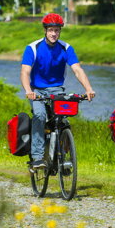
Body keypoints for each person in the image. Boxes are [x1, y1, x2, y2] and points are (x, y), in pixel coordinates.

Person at [20, 13, 95, 169]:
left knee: (63, 120)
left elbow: (77, 70)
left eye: (57, 30)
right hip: (37, 90)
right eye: (51, 30)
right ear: (45, 30)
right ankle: (37, 157)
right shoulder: (33, 48)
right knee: (40, 115)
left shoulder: (66, 48)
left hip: (57, 90)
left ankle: (63, 157)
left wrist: (88, 89)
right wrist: (28, 90)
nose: (54, 33)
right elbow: (25, 72)